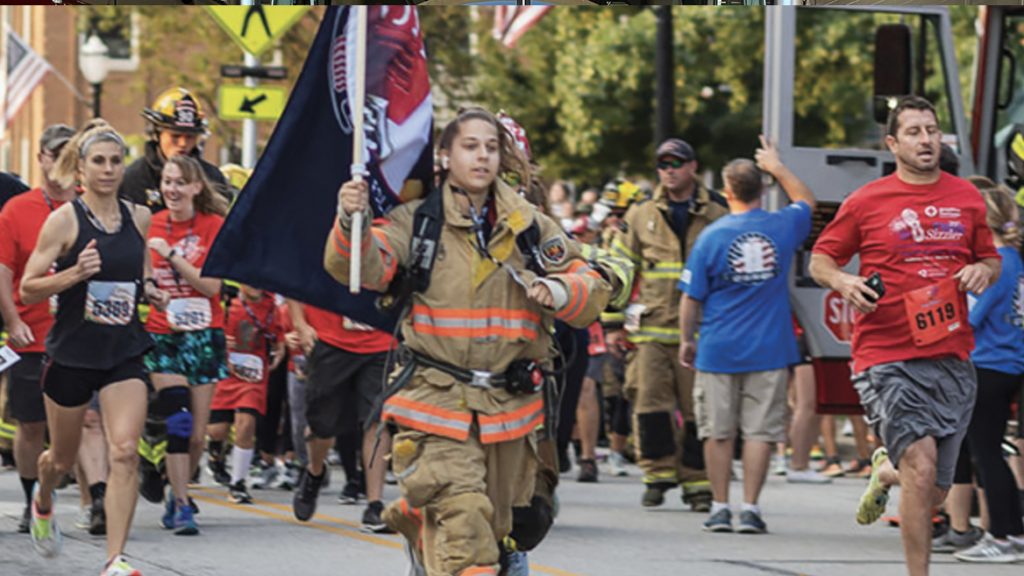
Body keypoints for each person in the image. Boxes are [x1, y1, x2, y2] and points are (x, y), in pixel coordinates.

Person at [328, 107, 611, 575]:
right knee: (465, 534)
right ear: (444, 155)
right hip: (436, 407)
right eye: (470, 146)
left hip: (510, 412)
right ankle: (436, 527)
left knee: (498, 532)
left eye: (491, 147)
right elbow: (363, 269)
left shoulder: (530, 225)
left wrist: (561, 290)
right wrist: (349, 221)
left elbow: (588, 282)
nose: (483, 156)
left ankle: (422, 523)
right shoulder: (414, 222)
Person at [809, 96, 1001, 576]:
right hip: (886, 354)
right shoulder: (867, 201)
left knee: (934, 487)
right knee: (922, 466)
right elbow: (820, 260)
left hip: (952, 356)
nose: (926, 140)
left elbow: (991, 259)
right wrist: (845, 282)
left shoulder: (967, 198)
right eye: (914, 132)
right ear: (893, 143)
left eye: (932, 130)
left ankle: (885, 469)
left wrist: (982, 269)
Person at [19, 120, 168, 576]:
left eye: (115, 161)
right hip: (71, 355)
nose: (108, 169)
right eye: (98, 161)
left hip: (123, 352)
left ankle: (115, 561)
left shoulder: (139, 216)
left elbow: (138, 273)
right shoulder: (64, 219)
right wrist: (74, 274)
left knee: (124, 450)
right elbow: (28, 289)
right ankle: (44, 499)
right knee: (61, 461)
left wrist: (151, 289)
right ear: (81, 168)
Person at [678, 136, 816, 533]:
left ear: (726, 192)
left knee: (718, 432)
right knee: (760, 432)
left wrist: (688, 339)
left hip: (718, 348)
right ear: (763, 188)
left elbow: (691, 298)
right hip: (770, 348)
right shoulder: (781, 226)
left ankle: (720, 506)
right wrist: (777, 165)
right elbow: (807, 200)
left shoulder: (711, 237)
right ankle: (751, 508)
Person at [611, 138, 727, 510]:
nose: (669, 170)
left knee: (698, 410)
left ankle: (697, 482)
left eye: (676, 162)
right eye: (662, 164)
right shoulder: (640, 215)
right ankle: (657, 475)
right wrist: (613, 323)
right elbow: (619, 270)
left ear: (693, 167)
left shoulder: (718, 213)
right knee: (649, 403)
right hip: (652, 331)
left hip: (700, 332)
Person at [143, 154, 229, 535]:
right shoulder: (150, 225)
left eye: (180, 183)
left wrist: (172, 255)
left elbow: (212, 287)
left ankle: (175, 485)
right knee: (178, 420)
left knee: (197, 433)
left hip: (205, 334)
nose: (171, 189)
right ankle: (181, 505)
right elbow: (141, 277)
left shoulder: (215, 227)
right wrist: (150, 290)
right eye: (167, 181)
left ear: (196, 187)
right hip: (164, 333)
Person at [0, 124, 77, 534]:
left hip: (80, 336)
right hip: (31, 334)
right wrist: (12, 320)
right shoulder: (17, 208)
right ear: (42, 159)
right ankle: (33, 498)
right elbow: (3, 271)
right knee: (30, 424)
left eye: (70, 153)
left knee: (84, 423)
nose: (61, 160)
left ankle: (94, 494)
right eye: (55, 153)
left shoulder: (91, 207)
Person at [952, 183, 1024, 562]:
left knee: (985, 455)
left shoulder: (992, 264)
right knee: (994, 451)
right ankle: (1014, 531)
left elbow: (968, 317)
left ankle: (999, 536)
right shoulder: (1016, 259)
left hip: (987, 365)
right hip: (1011, 362)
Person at [289, 304, 396, 533]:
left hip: (380, 341)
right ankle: (315, 471)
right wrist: (300, 324)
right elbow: (294, 274)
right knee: (322, 427)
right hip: (330, 340)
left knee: (377, 422)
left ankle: (374, 505)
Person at [207, 284, 285, 504]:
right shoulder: (226, 302)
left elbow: (279, 337)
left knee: (246, 423)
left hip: (254, 376)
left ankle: (238, 483)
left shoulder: (271, 306)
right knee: (216, 430)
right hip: (225, 372)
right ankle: (216, 455)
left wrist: (279, 350)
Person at [119, 87, 228, 213]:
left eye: (190, 137)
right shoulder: (133, 179)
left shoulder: (212, 178)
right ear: (157, 134)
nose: (183, 143)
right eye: (175, 136)